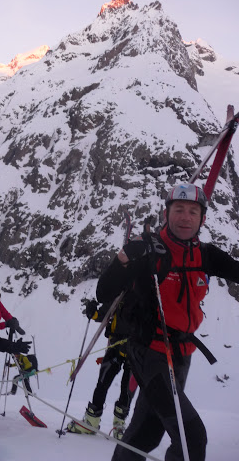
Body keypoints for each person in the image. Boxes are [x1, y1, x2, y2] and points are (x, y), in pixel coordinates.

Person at [97, 183, 239, 461]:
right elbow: (104, 292)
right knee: (191, 436)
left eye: (193, 211)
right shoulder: (149, 251)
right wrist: (125, 258)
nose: (185, 217)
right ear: (167, 213)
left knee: (147, 434)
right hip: (149, 351)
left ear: (202, 219)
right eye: (179, 210)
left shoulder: (205, 254)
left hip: (182, 354)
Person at [67, 300, 137, 439]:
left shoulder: (149, 291)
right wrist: (93, 313)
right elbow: (106, 311)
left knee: (127, 389)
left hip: (136, 347)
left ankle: (119, 425)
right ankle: (92, 421)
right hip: (116, 345)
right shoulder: (123, 289)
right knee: (103, 383)